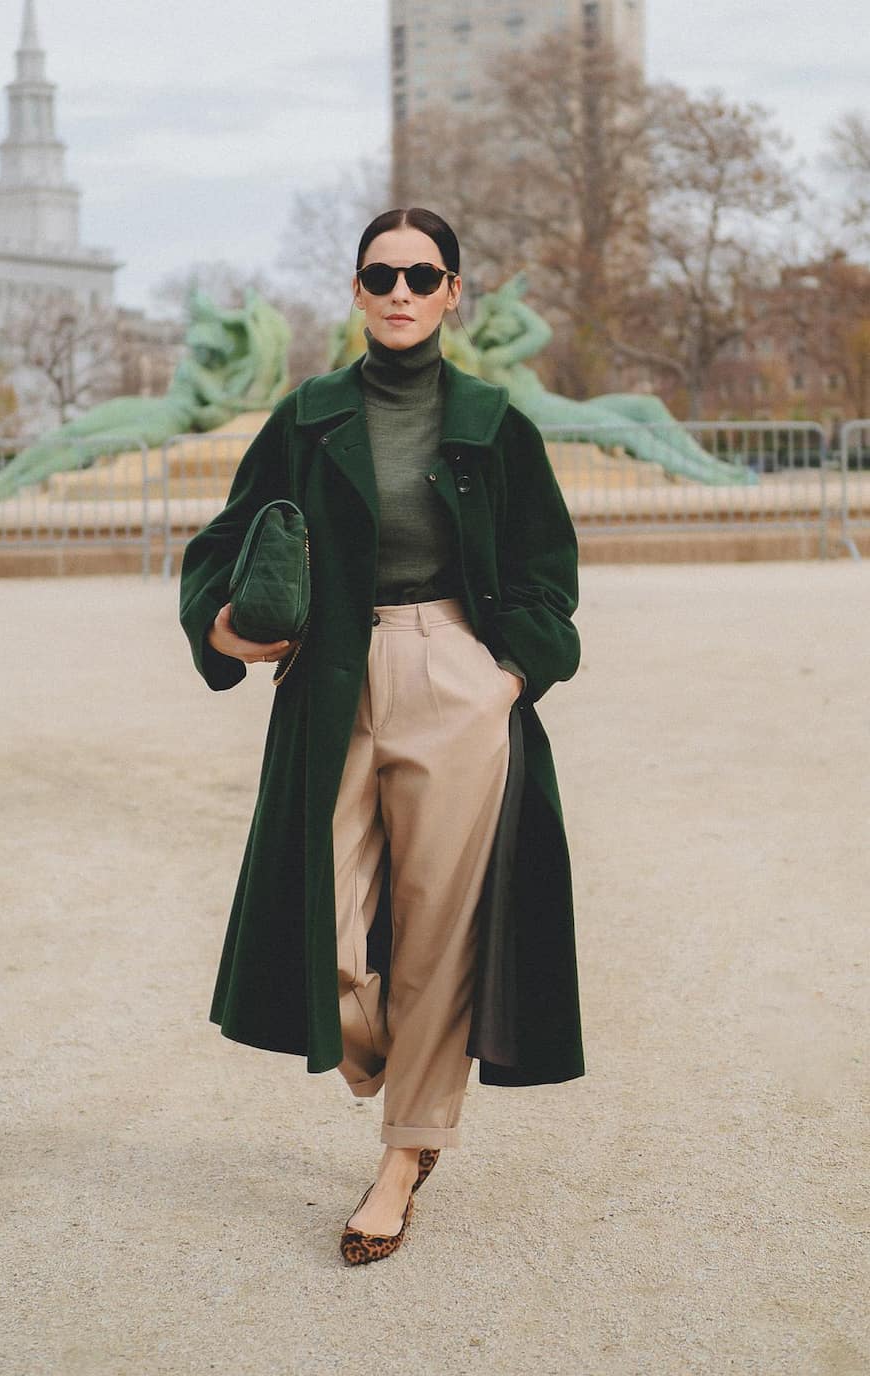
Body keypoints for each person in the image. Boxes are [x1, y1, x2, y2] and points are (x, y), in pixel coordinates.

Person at [179, 207, 584, 1265]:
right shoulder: (306, 416)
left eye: (422, 274)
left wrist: (505, 677)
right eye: (380, 274)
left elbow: (547, 575)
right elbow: (222, 542)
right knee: (327, 909)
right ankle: (388, 1065)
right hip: (330, 677)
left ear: (455, 293)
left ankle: (404, 1153)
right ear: (356, 292)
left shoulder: (498, 423)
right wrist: (220, 622)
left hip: (454, 671)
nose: (400, 291)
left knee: (440, 925)